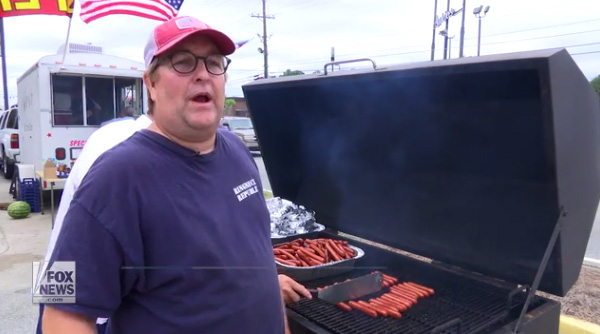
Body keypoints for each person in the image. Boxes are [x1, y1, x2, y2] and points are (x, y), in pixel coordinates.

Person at [41, 16, 308, 334]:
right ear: (150, 84)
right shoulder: (115, 177)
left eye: (214, 63)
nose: (203, 75)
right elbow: (59, 314)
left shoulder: (237, 152)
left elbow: (251, 259)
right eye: (183, 63)